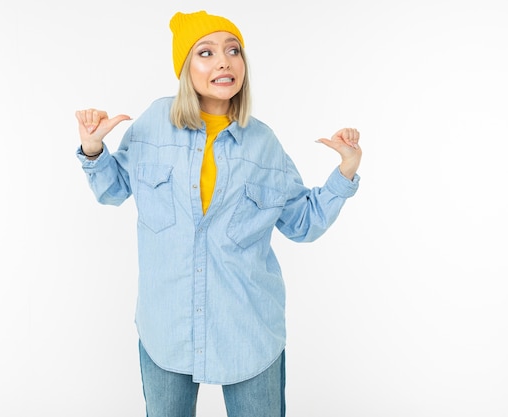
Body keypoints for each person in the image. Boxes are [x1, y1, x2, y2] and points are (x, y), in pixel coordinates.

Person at [75, 10, 361, 417]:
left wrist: (346, 169)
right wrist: (93, 150)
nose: (224, 61)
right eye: (206, 52)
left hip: (247, 329)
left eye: (234, 50)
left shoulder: (263, 143)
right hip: (166, 325)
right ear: (185, 67)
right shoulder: (154, 123)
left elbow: (303, 223)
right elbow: (113, 189)